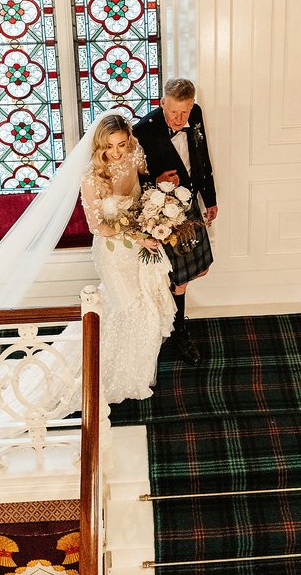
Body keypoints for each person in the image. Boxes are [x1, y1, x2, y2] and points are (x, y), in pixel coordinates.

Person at [79, 114, 177, 402]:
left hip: (140, 244)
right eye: (110, 146)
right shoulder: (91, 177)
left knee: (147, 308)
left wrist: (160, 206)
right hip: (113, 252)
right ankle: (108, 375)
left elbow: (147, 184)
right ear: (100, 145)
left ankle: (136, 375)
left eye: (122, 144)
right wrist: (139, 237)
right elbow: (97, 226)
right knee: (132, 309)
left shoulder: (135, 155)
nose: (117, 152)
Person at [134, 78, 217, 365]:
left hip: (191, 205)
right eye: (173, 113)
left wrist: (211, 198)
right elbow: (132, 180)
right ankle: (171, 331)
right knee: (171, 280)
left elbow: (202, 159)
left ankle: (176, 326)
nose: (180, 119)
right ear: (162, 103)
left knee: (192, 274)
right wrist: (155, 181)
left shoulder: (196, 115)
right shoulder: (142, 130)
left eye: (185, 111)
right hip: (162, 212)